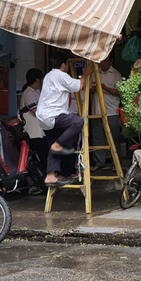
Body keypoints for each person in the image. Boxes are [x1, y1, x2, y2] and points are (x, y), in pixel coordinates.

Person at [36, 53, 92, 186]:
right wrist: (85, 74)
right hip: (53, 115)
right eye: (66, 64)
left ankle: (50, 175)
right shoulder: (60, 75)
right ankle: (59, 144)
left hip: (43, 117)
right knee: (78, 121)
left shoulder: (49, 75)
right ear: (63, 65)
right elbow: (79, 86)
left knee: (53, 146)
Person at [91, 55, 122, 172]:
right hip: (97, 111)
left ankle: (116, 163)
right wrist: (95, 87)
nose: (103, 64)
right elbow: (89, 89)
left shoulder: (116, 74)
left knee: (114, 138)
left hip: (111, 111)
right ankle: (100, 162)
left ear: (111, 62)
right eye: (101, 62)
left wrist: (104, 88)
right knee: (97, 138)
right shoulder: (95, 73)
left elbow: (119, 92)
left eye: (106, 62)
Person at [19, 68, 47, 170]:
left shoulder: (36, 92)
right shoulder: (29, 93)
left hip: (39, 130)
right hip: (33, 132)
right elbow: (36, 112)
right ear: (37, 80)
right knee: (39, 156)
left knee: (43, 154)